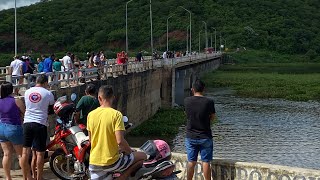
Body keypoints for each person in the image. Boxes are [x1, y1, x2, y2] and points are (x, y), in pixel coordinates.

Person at [87, 85, 147, 180]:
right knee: (143, 156)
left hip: (94, 162)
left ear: (99, 97)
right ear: (113, 97)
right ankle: (123, 177)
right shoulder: (116, 115)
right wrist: (129, 151)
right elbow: (120, 141)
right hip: (111, 162)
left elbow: (91, 140)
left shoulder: (90, 115)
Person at [21, 75, 55, 180]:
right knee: (40, 153)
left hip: (27, 122)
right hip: (40, 124)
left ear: (36, 81)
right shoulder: (48, 94)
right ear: (45, 83)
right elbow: (51, 110)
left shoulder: (27, 92)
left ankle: (26, 176)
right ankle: (39, 178)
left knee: (25, 152)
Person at [184, 79, 216, 180]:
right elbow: (213, 117)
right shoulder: (209, 102)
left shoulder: (187, 101)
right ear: (204, 89)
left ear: (192, 89)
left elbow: (187, 114)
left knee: (191, 162)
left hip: (190, 136)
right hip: (205, 136)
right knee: (206, 162)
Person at [0, 82, 26, 180]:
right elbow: (25, 112)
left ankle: (8, 177)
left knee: (6, 154)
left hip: (1, 128)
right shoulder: (17, 101)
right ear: (11, 89)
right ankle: (26, 177)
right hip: (14, 128)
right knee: (20, 155)